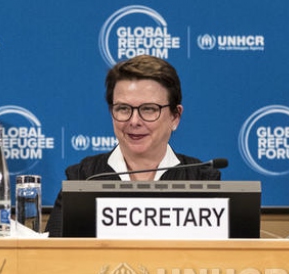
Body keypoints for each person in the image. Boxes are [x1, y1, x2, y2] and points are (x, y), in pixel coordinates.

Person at [45, 54, 221, 237]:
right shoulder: (83, 178)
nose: (134, 121)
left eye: (149, 109)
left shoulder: (201, 180)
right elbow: (52, 257)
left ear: (175, 117)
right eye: (123, 109)